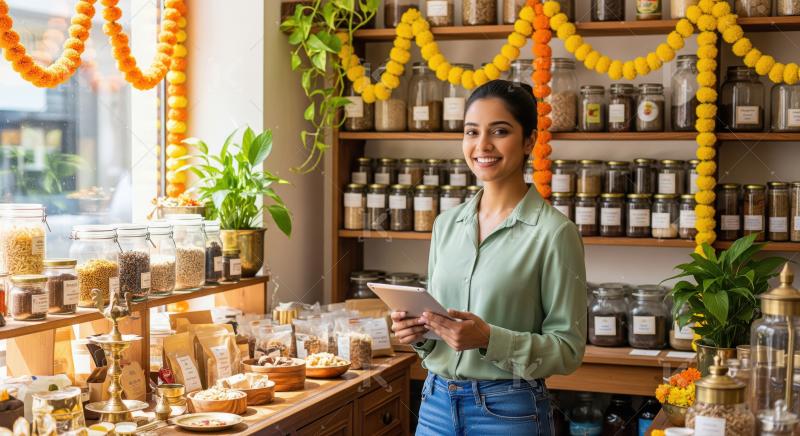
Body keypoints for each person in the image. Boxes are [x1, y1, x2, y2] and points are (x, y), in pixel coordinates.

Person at [390, 80, 587, 435]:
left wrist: (488, 339)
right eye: (471, 132)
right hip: (435, 404)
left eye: (499, 131)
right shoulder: (445, 225)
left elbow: (568, 350)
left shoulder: (555, 233)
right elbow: (440, 329)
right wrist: (419, 333)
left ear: (529, 140)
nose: (482, 146)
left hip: (509, 411)